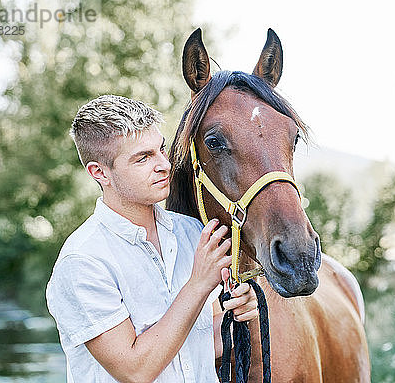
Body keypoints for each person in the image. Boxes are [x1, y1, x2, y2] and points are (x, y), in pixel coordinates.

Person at [46, 94, 258, 382]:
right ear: (100, 173)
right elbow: (135, 370)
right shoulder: (82, 261)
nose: (165, 165)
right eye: (143, 158)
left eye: (160, 149)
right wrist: (199, 284)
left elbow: (192, 347)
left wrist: (238, 314)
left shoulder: (193, 233)